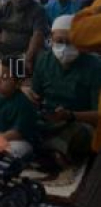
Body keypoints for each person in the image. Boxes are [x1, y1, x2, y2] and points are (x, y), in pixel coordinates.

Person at [27, 15, 100, 167]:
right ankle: (50, 150)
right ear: (51, 39)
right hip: (47, 117)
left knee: (85, 135)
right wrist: (27, 96)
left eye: (71, 42)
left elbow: (98, 115)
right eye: (59, 41)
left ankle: (49, 150)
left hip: (79, 122)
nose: (65, 47)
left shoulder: (95, 66)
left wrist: (70, 115)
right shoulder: (44, 60)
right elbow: (36, 96)